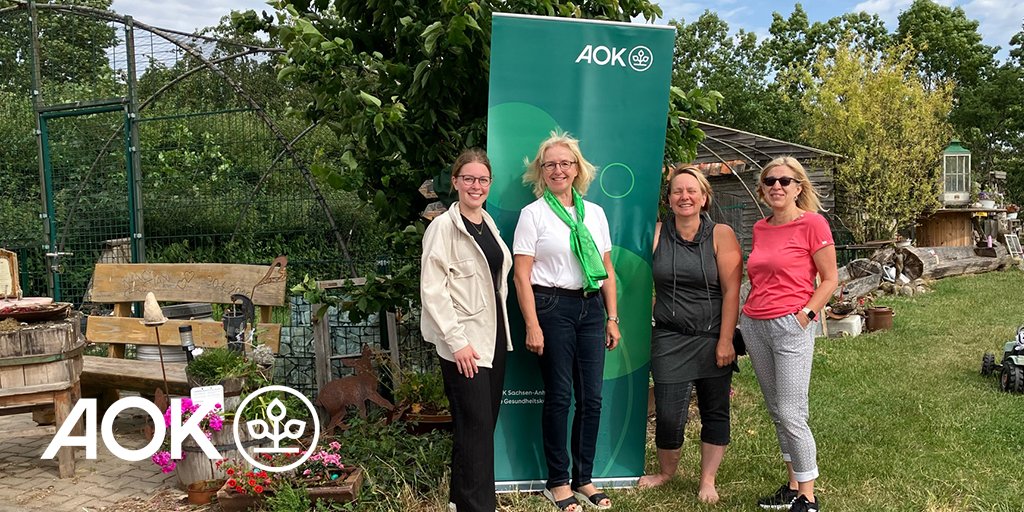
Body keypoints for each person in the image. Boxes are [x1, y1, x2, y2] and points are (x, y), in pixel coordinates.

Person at [513, 132, 620, 512]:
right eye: (551, 164)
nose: (558, 170)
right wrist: (532, 324)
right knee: (560, 397)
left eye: (565, 163)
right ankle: (557, 482)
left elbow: (607, 268)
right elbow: (520, 276)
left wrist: (612, 317)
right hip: (551, 307)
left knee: (592, 399)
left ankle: (584, 479)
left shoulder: (595, 213)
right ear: (541, 172)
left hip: (592, 309)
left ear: (577, 169)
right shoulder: (533, 214)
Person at [637, 166, 742, 504]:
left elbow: (732, 291)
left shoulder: (721, 234)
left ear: (704, 197)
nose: (684, 196)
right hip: (669, 336)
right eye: (677, 191)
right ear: (668, 199)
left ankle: (707, 480)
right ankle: (667, 472)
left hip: (713, 337)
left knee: (715, 410)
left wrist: (726, 340)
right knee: (668, 413)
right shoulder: (655, 234)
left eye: (691, 190)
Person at [741, 157, 838, 512]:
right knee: (776, 410)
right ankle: (793, 483)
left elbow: (829, 279)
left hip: (791, 325)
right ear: (762, 189)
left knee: (792, 410)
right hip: (754, 324)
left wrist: (807, 314)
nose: (776, 187)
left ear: (799, 187)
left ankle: (808, 497)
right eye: (770, 181)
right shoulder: (760, 228)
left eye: (785, 181)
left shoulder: (813, 224)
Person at [420, 148, 513, 512]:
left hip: (493, 339)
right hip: (464, 344)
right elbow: (432, 291)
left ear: (489, 184)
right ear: (456, 182)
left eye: (483, 179)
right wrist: (457, 342)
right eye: (469, 179)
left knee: (479, 429)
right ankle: (480, 507)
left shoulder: (488, 224)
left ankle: (460, 501)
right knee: (475, 427)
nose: (476, 186)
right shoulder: (443, 228)